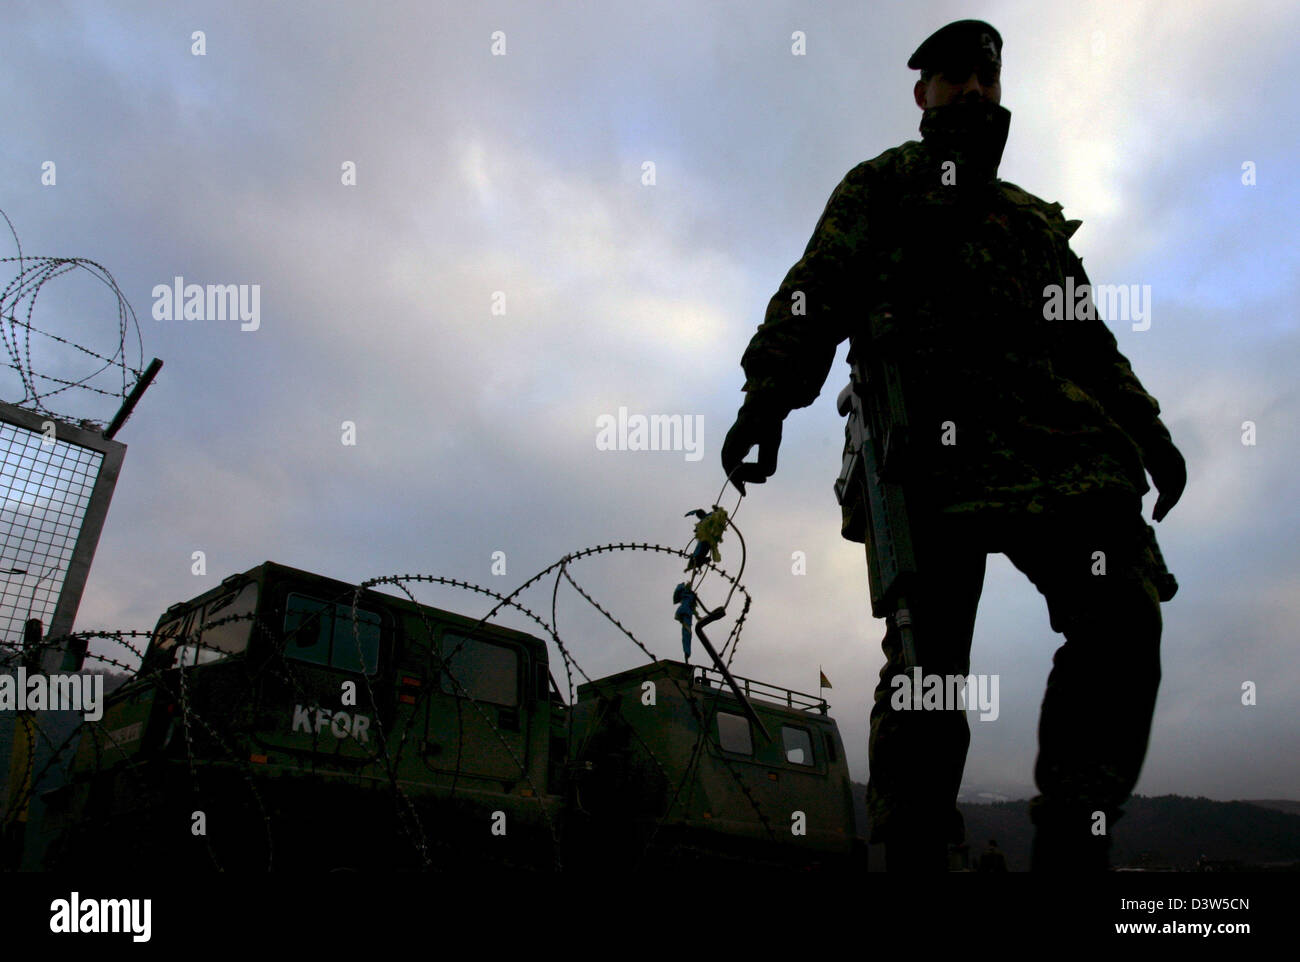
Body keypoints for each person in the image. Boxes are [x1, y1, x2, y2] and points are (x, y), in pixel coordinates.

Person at [720, 20, 1185, 872]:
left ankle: (1072, 845)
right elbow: (814, 294)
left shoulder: (1031, 225)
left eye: (986, 76)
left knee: (1120, 613)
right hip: (926, 463)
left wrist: (1150, 432)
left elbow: (1087, 342)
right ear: (922, 91)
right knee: (929, 678)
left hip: (1054, 458)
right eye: (955, 75)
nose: (973, 89)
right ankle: (914, 857)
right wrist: (768, 396)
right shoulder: (885, 187)